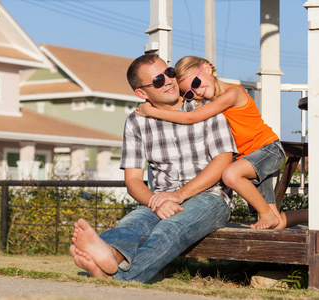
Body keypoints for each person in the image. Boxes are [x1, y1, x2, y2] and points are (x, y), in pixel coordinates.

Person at [69, 53, 237, 283]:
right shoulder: (136, 121)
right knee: (134, 222)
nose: (168, 80)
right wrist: (154, 202)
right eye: (158, 80)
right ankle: (110, 254)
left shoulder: (205, 105)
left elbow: (223, 162)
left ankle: (120, 277)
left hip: (210, 197)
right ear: (141, 93)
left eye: (169, 72)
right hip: (160, 199)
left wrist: (178, 196)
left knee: (170, 229)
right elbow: (133, 180)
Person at [135, 55, 307, 230]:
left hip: (267, 149)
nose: (197, 92)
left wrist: (151, 111)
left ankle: (265, 213)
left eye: (195, 83)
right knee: (275, 223)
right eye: (189, 93)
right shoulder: (212, 103)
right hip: (248, 160)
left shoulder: (233, 93)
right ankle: (312, 213)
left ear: (208, 69)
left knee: (230, 174)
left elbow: (190, 117)